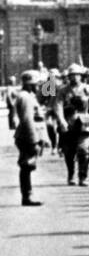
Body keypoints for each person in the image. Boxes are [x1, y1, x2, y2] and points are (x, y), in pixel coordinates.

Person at [54, 64, 89, 187]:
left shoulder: (87, 88)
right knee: (69, 152)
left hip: (84, 123)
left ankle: (83, 177)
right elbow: (58, 106)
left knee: (84, 150)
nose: (75, 77)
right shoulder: (62, 90)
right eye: (72, 75)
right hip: (69, 123)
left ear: (81, 76)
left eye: (77, 75)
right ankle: (71, 174)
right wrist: (62, 121)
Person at [12, 70, 49, 206]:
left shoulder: (28, 95)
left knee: (28, 166)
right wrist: (34, 140)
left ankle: (27, 195)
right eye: (36, 84)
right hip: (28, 136)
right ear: (30, 84)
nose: (39, 86)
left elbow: (47, 94)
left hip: (28, 135)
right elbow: (28, 120)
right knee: (27, 165)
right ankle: (27, 196)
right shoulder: (26, 97)